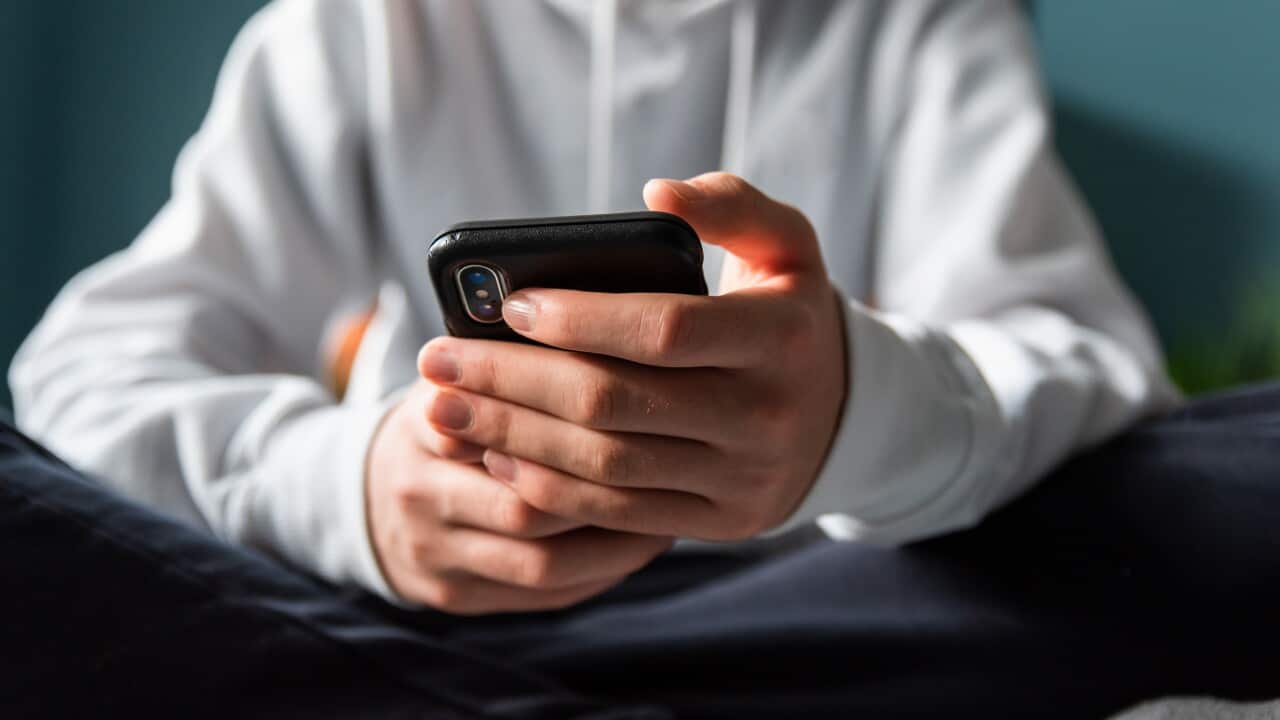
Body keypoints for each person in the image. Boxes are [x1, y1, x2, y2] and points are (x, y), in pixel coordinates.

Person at [10, 0, 1273, 715]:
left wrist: (848, 414)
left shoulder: (913, 19)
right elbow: (87, 366)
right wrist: (349, 490)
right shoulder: (354, 26)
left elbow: (1083, 362)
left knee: (1241, 468)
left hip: (810, 612)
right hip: (426, 606)